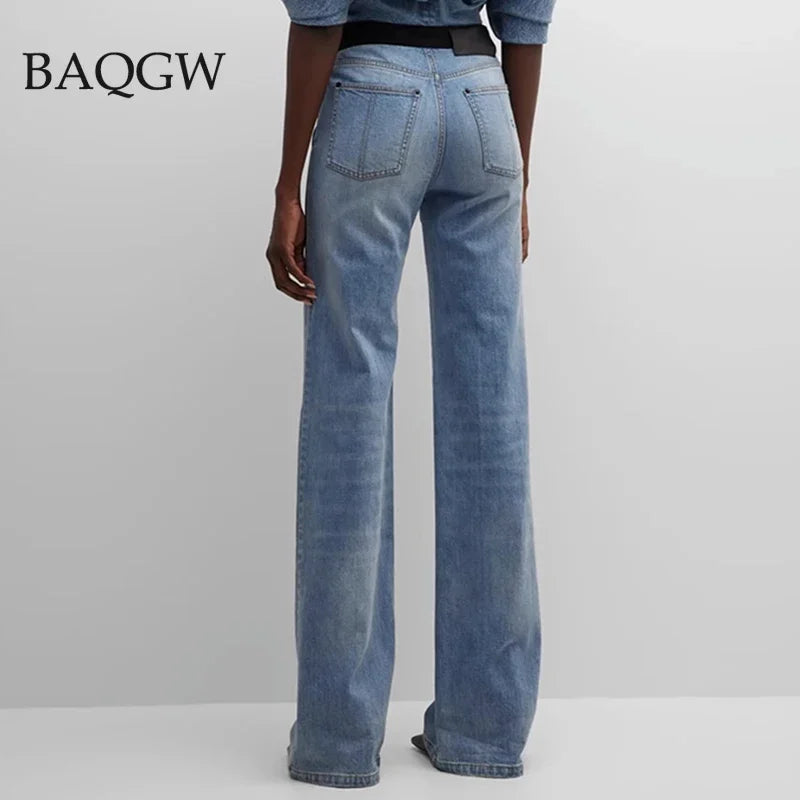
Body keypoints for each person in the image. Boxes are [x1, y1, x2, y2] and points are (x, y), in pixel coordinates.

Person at [266, 0, 556, 788]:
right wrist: (519, 174)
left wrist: (288, 186)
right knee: (492, 412)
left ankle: (337, 738)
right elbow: (526, 25)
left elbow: (319, 18)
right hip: (484, 100)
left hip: (370, 95)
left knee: (349, 407)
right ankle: (486, 729)